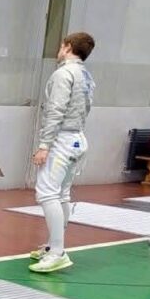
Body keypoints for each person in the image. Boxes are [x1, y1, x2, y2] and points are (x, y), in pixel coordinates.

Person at [28, 32, 97, 273]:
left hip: (62, 140)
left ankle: (57, 252)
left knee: (47, 194)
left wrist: (44, 145)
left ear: (67, 47)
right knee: (62, 194)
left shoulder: (63, 74)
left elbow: (56, 110)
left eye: (61, 45)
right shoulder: (86, 75)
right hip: (77, 138)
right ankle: (52, 245)